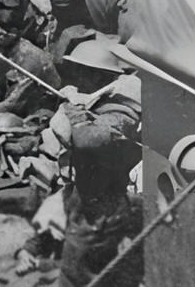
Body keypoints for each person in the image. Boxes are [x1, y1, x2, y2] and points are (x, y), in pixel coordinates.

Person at [49, 36, 143, 287]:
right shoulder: (95, 102)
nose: (77, 76)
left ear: (101, 76)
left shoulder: (120, 111)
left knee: (81, 268)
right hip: (87, 196)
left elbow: (90, 142)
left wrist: (76, 116)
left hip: (107, 204)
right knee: (79, 264)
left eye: (83, 71)